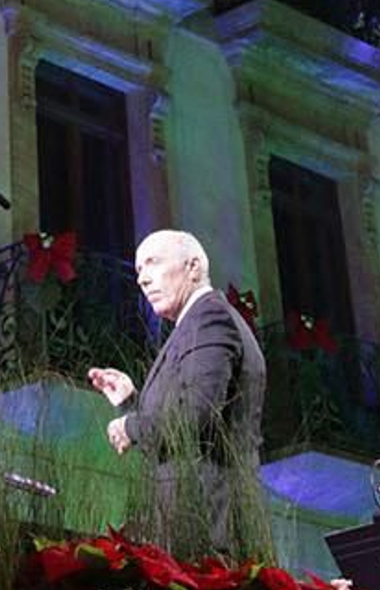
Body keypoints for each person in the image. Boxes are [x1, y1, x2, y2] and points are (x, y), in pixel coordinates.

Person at [88, 229, 265, 554]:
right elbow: (180, 432)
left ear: (193, 267)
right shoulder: (197, 323)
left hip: (208, 526)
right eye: (139, 270)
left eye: (152, 263)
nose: (142, 279)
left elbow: (192, 417)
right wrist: (130, 404)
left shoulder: (209, 318)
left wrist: (130, 426)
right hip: (196, 522)